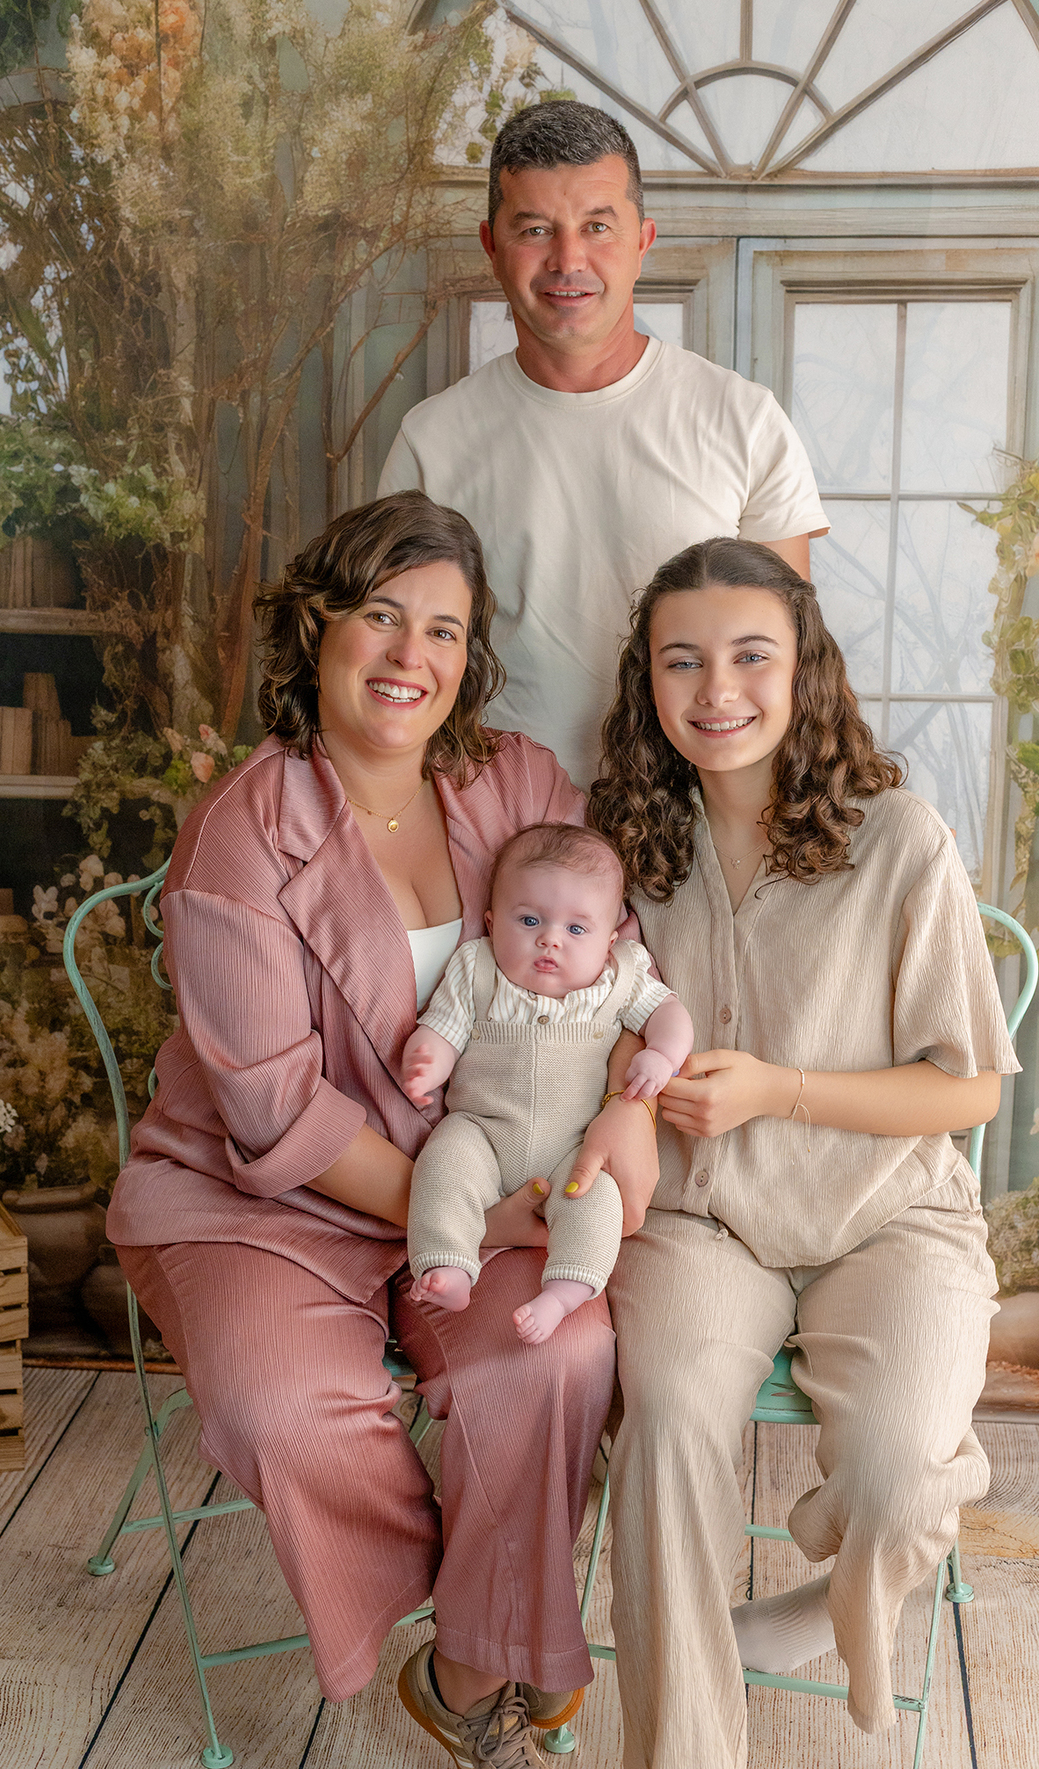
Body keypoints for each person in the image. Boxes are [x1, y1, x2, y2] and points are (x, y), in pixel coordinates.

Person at [106, 490, 645, 1769]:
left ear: (472, 658)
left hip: (490, 1162)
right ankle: (497, 1600)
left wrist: (624, 1112)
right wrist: (474, 1212)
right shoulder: (241, 832)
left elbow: (620, 965)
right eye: (382, 618)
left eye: (446, 632)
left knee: (558, 1360)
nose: (414, 658)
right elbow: (279, 1113)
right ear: (319, 629)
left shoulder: (516, 781)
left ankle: (470, 1659)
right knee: (278, 1410)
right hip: (267, 1197)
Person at [574, 536, 1019, 1768]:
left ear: (803, 669)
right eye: (683, 661)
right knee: (663, 1425)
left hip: (891, 1221)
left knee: (893, 1482)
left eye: (751, 655)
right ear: (646, 687)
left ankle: (836, 1591)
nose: (718, 689)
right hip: (701, 1221)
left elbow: (972, 1088)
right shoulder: (623, 851)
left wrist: (781, 1089)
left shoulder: (900, 840)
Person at [378, 100, 828, 791]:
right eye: (535, 229)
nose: (569, 259)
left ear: (643, 241)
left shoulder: (743, 420)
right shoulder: (432, 442)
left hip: (696, 821)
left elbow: (783, 664)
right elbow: (396, 663)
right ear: (491, 246)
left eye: (597, 226)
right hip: (500, 827)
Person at [404, 821, 692, 1342]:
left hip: (574, 1147)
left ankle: (563, 1292)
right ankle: (448, 1265)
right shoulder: (478, 968)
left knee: (595, 1199)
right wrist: (428, 1061)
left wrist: (662, 1054)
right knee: (444, 1161)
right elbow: (441, 1026)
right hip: (485, 1132)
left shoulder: (621, 976)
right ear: (492, 922)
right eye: (529, 919)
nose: (550, 940)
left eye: (576, 930)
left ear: (609, 941)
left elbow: (670, 1013)